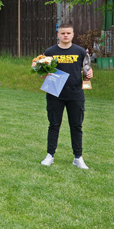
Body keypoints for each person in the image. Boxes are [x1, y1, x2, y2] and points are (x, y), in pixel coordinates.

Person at [40, 23, 93, 169]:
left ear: (73, 34)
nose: (65, 36)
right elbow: (42, 73)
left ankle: (78, 157)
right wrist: (45, 73)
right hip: (55, 93)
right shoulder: (50, 51)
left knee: (76, 126)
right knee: (54, 125)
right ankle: (50, 155)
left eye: (68, 33)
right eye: (62, 33)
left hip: (75, 94)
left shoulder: (80, 51)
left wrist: (89, 73)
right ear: (58, 34)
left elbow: (87, 69)